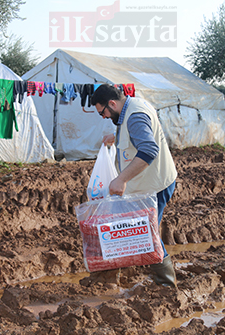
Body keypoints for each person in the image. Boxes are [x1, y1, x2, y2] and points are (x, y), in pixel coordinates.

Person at [90, 83, 178, 287]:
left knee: (147, 234)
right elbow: (139, 134)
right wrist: (117, 136)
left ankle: (166, 284)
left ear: (112, 103)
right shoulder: (132, 106)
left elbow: (148, 150)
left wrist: (121, 179)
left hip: (156, 184)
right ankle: (115, 276)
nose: (103, 117)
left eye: (102, 112)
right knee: (143, 232)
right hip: (147, 184)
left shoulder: (135, 115)